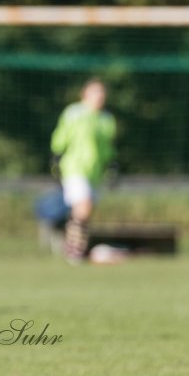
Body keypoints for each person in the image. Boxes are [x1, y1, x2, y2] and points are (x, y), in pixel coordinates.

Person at [50, 78, 117, 263]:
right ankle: (74, 250)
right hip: (74, 167)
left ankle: (74, 244)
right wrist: (56, 155)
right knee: (83, 206)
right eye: (95, 92)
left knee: (85, 211)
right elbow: (62, 135)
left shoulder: (106, 119)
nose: (100, 96)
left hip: (94, 171)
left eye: (102, 92)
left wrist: (111, 166)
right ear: (84, 94)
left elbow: (107, 147)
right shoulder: (74, 113)